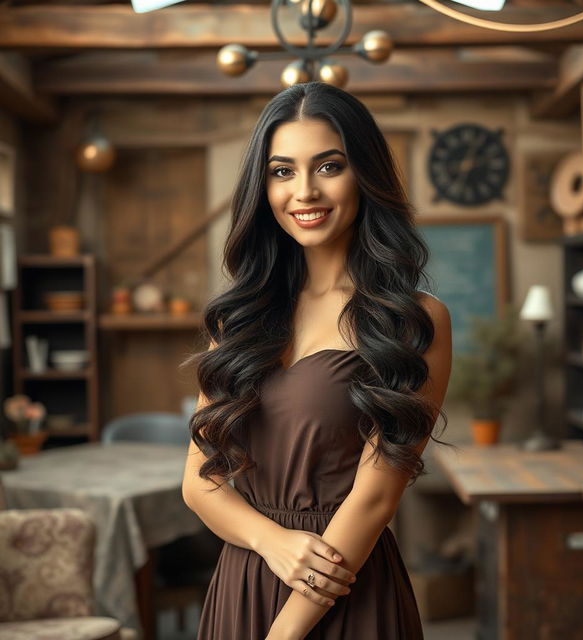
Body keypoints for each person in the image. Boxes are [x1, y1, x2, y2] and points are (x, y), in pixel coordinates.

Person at [182, 81, 452, 640]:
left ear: (366, 175)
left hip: (345, 587)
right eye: (282, 171)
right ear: (264, 186)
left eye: (328, 166)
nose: (304, 191)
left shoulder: (410, 321)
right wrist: (270, 541)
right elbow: (197, 482)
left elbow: (376, 497)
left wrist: (284, 634)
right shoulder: (238, 319)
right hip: (246, 579)